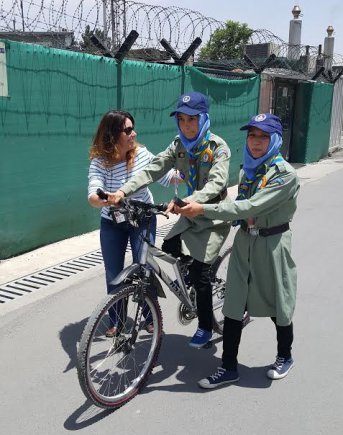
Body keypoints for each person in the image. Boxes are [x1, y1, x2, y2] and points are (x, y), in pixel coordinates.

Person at [176, 113, 300, 386]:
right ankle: (228, 367)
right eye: (252, 136)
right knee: (233, 303)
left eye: (263, 136)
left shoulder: (285, 175)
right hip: (244, 240)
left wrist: (203, 209)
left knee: (279, 303)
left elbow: (250, 207)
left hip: (273, 244)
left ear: (276, 139)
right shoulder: (248, 169)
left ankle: (285, 355)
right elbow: (240, 211)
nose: (256, 142)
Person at [107, 91, 231, 348]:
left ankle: (206, 326)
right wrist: (122, 191)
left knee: (201, 274)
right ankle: (192, 285)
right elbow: (153, 169)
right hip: (189, 213)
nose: (186, 126)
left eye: (192, 120)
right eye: (182, 120)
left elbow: (217, 183)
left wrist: (188, 202)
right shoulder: (178, 146)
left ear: (204, 119)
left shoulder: (218, 148)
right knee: (170, 247)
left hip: (213, 214)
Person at [88, 110, 176, 337]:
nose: (133, 133)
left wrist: (191, 171)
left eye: (132, 128)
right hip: (113, 222)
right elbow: (93, 194)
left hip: (143, 219)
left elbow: (165, 177)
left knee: (143, 269)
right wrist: (102, 198)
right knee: (113, 272)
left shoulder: (142, 154)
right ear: (112, 135)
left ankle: (150, 316)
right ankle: (116, 320)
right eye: (127, 130)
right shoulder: (100, 162)